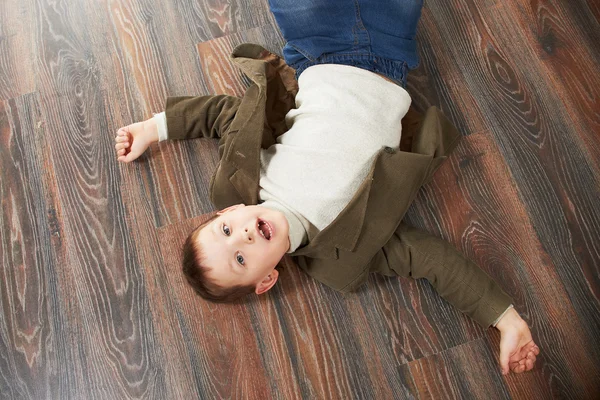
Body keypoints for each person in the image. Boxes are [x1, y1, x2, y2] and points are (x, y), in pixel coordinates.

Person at [114, 0, 539, 375]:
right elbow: (431, 260)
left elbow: (220, 115)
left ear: (228, 213)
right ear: (267, 280)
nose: (241, 236)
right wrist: (503, 318)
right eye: (241, 258)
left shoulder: (253, 175)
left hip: (318, 48)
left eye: (225, 231)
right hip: (387, 57)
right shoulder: (344, 253)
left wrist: (154, 128)